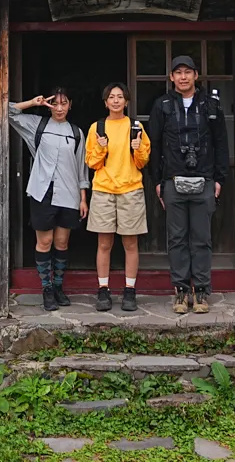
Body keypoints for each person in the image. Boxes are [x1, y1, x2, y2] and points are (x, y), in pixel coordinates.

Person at [147, 55, 229, 314]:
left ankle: (202, 291)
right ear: (171, 77)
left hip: (204, 180)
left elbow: (221, 145)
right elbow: (154, 145)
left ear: (196, 75)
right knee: (177, 239)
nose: (183, 77)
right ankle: (181, 291)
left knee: (202, 238)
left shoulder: (211, 106)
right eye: (178, 72)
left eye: (187, 72)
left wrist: (219, 179)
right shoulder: (162, 106)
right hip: (172, 180)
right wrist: (158, 181)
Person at [7, 89, 88, 310]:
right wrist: (33, 103)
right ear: (49, 105)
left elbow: (82, 168)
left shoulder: (77, 133)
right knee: (44, 242)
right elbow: (7, 112)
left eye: (64, 103)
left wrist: (83, 198)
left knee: (62, 243)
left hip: (69, 194)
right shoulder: (37, 126)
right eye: (55, 104)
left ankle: (59, 286)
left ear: (70, 105)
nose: (59, 108)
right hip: (43, 192)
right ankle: (47, 288)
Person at [83, 82, 151, 311]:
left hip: (131, 189)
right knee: (104, 243)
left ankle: (130, 291)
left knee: (130, 243)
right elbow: (92, 162)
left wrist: (138, 147)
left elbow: (142, 162)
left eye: (119, 97)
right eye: (111, 97)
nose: (115, 100)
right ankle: (103, 290)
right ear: (105, 102)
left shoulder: (136, 126)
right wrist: (101, 148)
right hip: (103, 190)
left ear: (126, 101)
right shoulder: (97, 127)